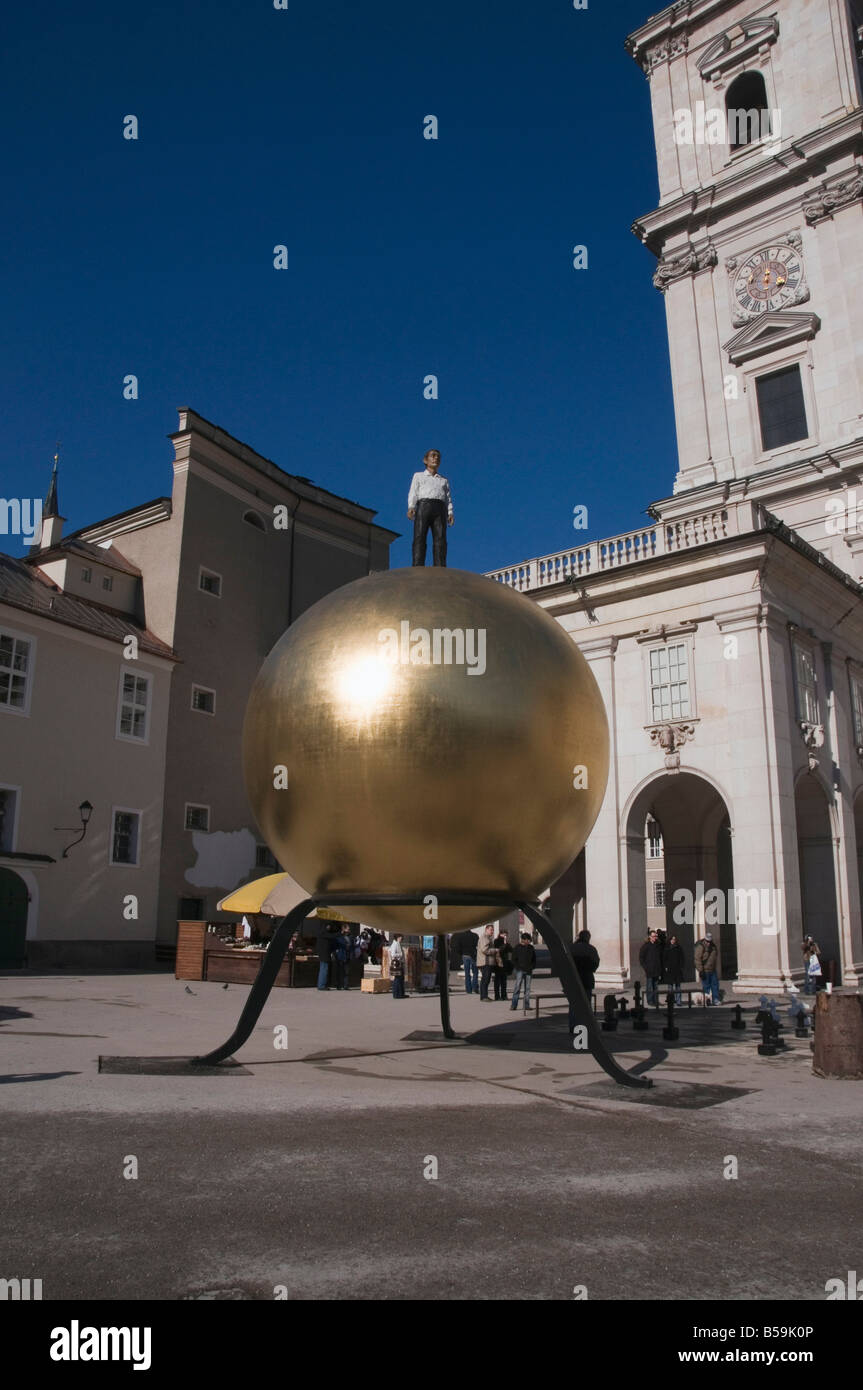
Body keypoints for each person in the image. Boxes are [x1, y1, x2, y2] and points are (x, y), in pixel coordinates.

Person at [407, 449, 454, 567]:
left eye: (438, 457)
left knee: (440, 538)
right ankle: (418, 565)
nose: (436, 458)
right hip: (424, 506)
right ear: (425, 460)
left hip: (440, 508)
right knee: (419, 536)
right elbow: (413, 491)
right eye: (433, 456)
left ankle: (440, 565)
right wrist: (411, 506)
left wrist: (450, 512)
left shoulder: (443, 480)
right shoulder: (418, 476)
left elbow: (448, 498)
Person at [569, 930, 600, 1033]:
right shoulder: (591, 949)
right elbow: (596, 963)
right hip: (586, 979)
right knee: (586, 1004)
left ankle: (573, 1026)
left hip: (573, 979)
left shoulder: (572, 948)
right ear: (588, 938)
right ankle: (584, 1026)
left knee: (573, 1004)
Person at [510, 933, 537, 1012]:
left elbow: (534, 959)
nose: (529, 942)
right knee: (517, 987)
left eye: (529, 940)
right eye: (527, 940)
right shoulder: (517, 947)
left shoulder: (531, 948)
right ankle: (514, 1005)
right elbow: (513, 959)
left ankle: (526, 1005)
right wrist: (518, 967)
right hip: (520, 970)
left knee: (527, 988)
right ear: (523, 940)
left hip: (529, 970)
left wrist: (532, 966)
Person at [639, 929, 664, 1008]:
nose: (655, 938)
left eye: (656, 936)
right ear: (650, 937)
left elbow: (661, 957)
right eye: (653, 936)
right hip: (649, 970)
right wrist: (645, 967)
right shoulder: (645, 946)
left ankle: (655, 1000)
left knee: (656, 986)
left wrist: (661, 968)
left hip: (657, 969)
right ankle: (650, 1001)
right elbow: (641, 958)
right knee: (650, 986)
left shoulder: (658, 946)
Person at [694, 931, 720, 1005]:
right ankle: (707, 1000)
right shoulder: (700, 947)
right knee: (706, 986)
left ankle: (715, 999)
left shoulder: (713, 947)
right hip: (704, 970)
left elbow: (715, 957)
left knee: (715, 985)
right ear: (705, 940)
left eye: (710, 941)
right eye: (707, 941)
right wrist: (700, 970)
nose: (708, 943)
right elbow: (697, 959)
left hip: (712, 969)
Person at [454, 929, 479, 995]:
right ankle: (475, 988)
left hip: (465, 955)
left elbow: (457, 947)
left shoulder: (461, 936)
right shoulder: (475, 935)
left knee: (467, 973)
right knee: (475, 972)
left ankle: (468, 990)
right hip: (473, 955)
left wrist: (461, 953)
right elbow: (478, 946)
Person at [663, 933, 685, 1006]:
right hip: (670, 970)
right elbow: (664, 959)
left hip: (677, 969)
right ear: (670, 940)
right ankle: (671, 1000)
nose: (673, 941)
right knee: (670, 986)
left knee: (678, 986)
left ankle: (678, 1001)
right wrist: (666, 967)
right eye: (672, 939)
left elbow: (682, 958)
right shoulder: (667, 948)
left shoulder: (679, 948)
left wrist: (681, 966)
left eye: (674, 939)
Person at [478, 925, 497, 1002]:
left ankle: (484, 996)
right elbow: (484, 950)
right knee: (485, 979)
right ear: (486, 929)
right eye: (491, 930)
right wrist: (495, 950)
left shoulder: (488, 938)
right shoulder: (484, 937)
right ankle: (483, 996)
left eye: (493, 930)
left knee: (486, 979)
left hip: (487, 961)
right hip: (485, 962)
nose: (492, 931)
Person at [316, 925, 338, 990]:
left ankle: (321, 985)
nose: (329, 927)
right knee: (324, 970)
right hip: (324, 955)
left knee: (323, 970)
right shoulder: (323, 933)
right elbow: (332, 936)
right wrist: (341, 933)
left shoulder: (322, 933)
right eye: (328, 926)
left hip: (323, 955)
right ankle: (321, 986)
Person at [493, 930, 513, 1001]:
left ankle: (504, 995)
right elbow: (500, 950)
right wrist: (504, 944)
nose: (505, 937)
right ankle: (497, 996)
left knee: (504, 981)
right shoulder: (496, 941)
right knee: (497, 980)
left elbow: (511, 950)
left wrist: (507, 944)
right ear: (500, 934)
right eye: (504, 935)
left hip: (504, 963)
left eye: (506, 935)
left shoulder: (506, 942)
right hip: (498, 963)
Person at [389, 934, 406, 999]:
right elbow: (393, 954)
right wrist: (400, 954)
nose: (402, 938)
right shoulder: (395, 944)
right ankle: (397, 994)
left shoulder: (397, 943)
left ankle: (401, 993)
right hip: (397, 964)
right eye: (401, 937)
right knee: (398, 979)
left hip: (399, 963)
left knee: (400, 978)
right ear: (397, 937)